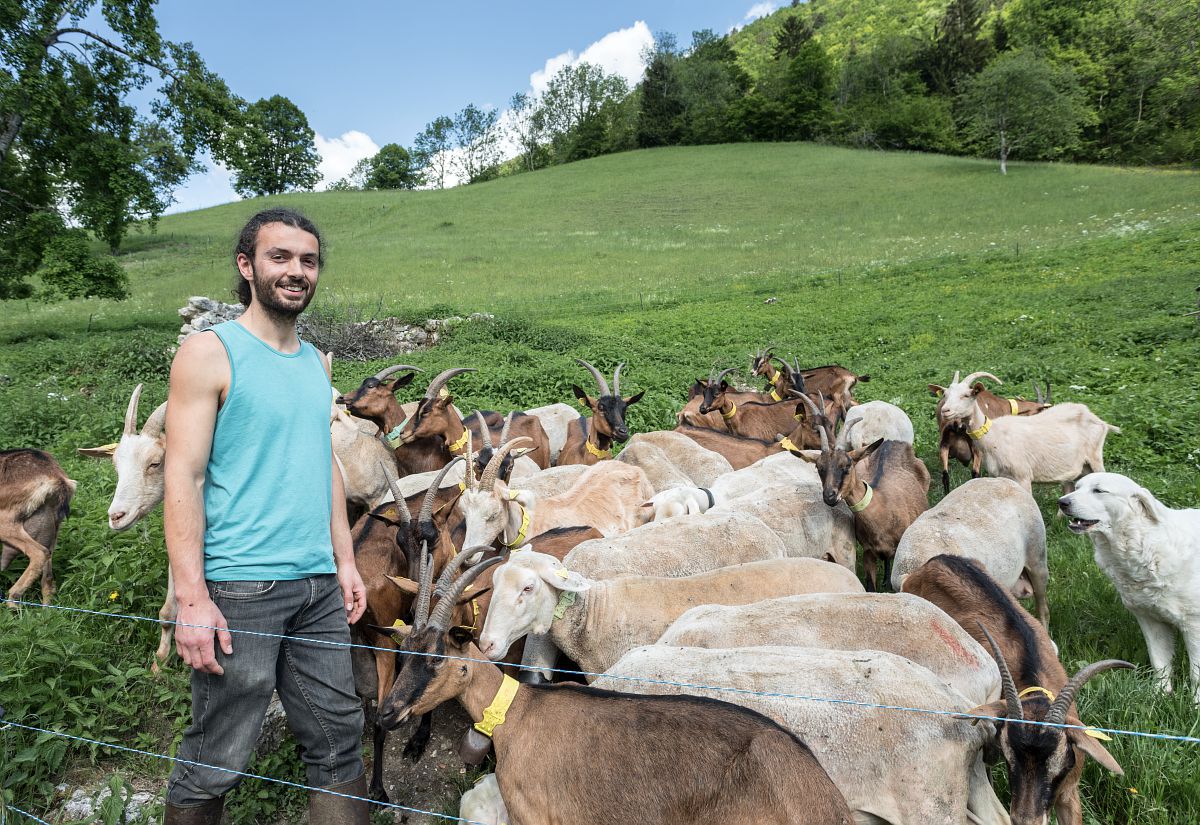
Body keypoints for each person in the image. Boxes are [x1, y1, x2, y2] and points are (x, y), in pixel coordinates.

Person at [162, 207, 368, 825]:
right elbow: (184, 476)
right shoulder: (209, 353)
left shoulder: (316, 363)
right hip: (240, 587)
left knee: (339, 737)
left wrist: (346, 560)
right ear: (247, 266)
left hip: (318, 588)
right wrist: (192, 596)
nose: (296, 271)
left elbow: (323, 463)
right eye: (280, 257)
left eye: (308, 260)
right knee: (219, 750)